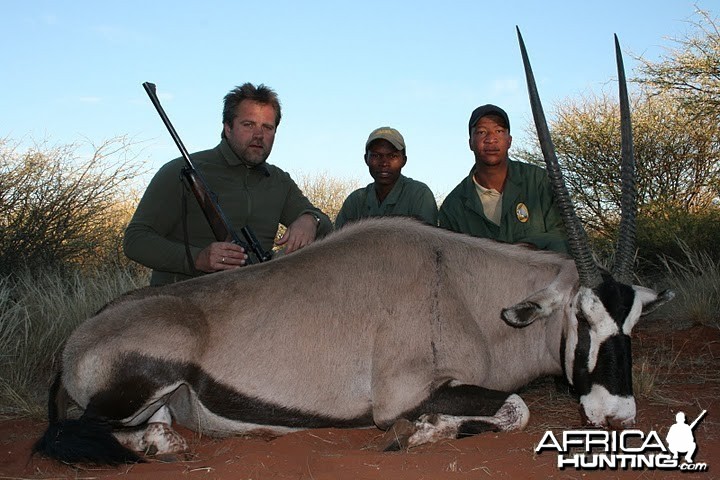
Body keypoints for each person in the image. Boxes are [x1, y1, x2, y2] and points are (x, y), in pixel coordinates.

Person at [124, 83, 332, 286]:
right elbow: (136, 241)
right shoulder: (181, 171)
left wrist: (309, 219)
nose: (258, 135)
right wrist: (198, 259)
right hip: (184, 304)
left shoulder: (278, 180)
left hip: (253, 301)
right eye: (248, 125)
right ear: (227, 127)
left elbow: (325, 225)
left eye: (267, 127)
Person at [438, 104, 567, 252]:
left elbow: (567, 234)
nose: (491, 139)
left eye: (499, 131)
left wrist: (530, 245)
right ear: (470, 143)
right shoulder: (452, 207)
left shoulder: (539, 181)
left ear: (509, 140)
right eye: (481, 132)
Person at [334, 127, 438, 229]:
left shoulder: (419, 195)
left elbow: (426, 242)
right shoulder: (355, 201)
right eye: (376, 156)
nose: (384, 163)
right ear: (366, 159)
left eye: (392, 156)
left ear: (404, 160)